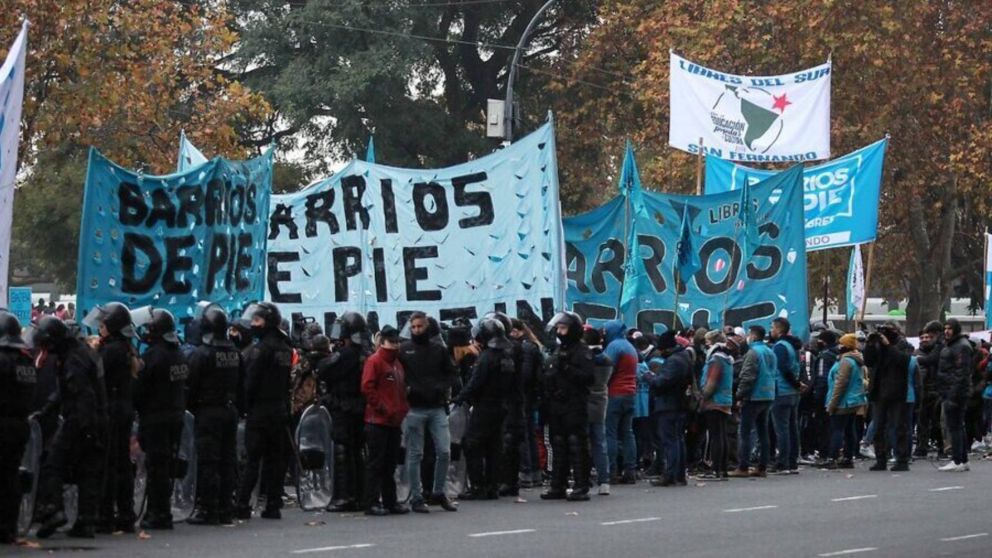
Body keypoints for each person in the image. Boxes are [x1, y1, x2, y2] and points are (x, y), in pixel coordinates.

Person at [31, 316, 108, 539]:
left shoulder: (73, 359)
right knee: (88, 472)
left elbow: (82, 394)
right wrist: (46, 410)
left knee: (52, 463)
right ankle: (86, 521)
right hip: (95, 420)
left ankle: (54, 510)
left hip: (81, 420)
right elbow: (65, 390)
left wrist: (84, 430)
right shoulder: (79, 352)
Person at [84, 302, 140, 534]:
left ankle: (105, 514)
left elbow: (95, 376)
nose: (100, 327)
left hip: (112, 410)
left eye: (104, 323)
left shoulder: (110, 350)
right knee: (122, 463)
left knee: (108, 464)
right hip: (124, 409)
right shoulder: (126, 349)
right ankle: (125, 513)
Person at [235, 302, 293, 519]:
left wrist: (244, 406)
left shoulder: (261, 349)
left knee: (252, 459)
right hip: (278, 409)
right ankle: (273, 504)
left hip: (260, 410)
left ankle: (242, 504)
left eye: (257, 320)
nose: (253, 324)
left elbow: (251, 382)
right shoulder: (285, 348)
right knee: (275, 460)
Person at [186, 304, 243, 526]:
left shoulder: (202, 354)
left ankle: (208, 508)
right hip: (230, 410)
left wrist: (191, 408)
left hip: (208, 411)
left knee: (209, 461)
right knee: (227, 461)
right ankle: (225, 507)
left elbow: (191, 385)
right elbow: (241, 385)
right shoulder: (235, 354)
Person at [133, 307, 188, 529]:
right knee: (166, 465)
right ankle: (163, 510)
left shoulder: (152, 356)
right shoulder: (179, 354)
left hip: (155, 417)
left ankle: (158, 512)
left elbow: (139, 389)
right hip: (175, 416)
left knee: (157, 467)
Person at [398, 312, 458, 512]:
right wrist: (406, 390)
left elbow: (452, 374)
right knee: (416, 454)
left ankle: (438, 492)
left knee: (444, 450)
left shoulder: (438, 350)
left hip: (436, 407)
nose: (416, 330)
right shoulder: (404, 350)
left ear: (427, 327)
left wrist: (440, 388)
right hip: (414, 408)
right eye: (413, 327)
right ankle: (416, 497)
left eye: (419, 326)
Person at [457, 318, 515, 501]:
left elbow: (476, 382)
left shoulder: (486, 357)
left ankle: (478, 485)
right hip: (501, 405)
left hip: (485, 405)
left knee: (472, 444)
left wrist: (459, 398)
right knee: (493, 446)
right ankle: (492, 485)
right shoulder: (506, 355)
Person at [540, 312, 594, 501]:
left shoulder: (581, 351)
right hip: (556, 404)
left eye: (563, 328)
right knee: (558, 444)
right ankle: (558, 485)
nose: (560, 332)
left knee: (576, 444)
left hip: (574, 404)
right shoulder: (558, 350)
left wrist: (567, 368)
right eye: (559, 328)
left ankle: (581, 485)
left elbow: (588, 378)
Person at [319, 312, 369, 512]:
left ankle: (345, 496)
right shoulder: (367, 352)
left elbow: (324, 370)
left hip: (344, 406)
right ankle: (360, 494)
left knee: (343, 450)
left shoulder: (347, 354)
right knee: (357, 451)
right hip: (360, 406)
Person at [361, 326, 410, 516]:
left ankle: (390, 501)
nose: (395, 345)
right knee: (376, 463)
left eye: (397, 342)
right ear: (382, 343)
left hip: (393, 420)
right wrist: (383, 408)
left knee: (389, 464)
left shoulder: (396, 364)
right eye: (391, 342)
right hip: (378, 421)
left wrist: (402, 408)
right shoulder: (375, 362)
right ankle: (371, 502)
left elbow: (400, 390)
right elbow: (367, 388)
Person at [0, 311, 36, 544]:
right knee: (10, 476)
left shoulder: (3, 359)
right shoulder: (26, 360)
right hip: (20, 424)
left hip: (2, 422)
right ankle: (8, 527)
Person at [862, 324, 913, 472]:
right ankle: (881, 459)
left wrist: (888, 345)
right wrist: (870, 345)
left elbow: (903, 361)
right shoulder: (877, 345)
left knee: (898, 426)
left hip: (896, 391)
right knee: (878, 427)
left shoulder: (903, 345)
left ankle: (902, 459)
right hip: (879, 391)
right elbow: (868, 361)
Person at [645, 331, 692, 487]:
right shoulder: (684, 357)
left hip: (669, 404)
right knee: (678, 440)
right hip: (680, 403)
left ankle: (671, 474)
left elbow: (661, 382)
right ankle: (679, 474)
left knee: (670, 441)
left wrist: (649, 377)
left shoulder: (673, 361)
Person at [729, 326, 776, 478]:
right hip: (768, 394)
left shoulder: (753, 353)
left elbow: (747, 376)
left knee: (745, 432)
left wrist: (740, 395)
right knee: (763, 432)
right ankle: (762, 466)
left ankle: (743, 466)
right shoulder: (770, 351)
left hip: (754, 395)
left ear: (753, 336)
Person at [602, 320, 639, 485]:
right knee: (627, 433)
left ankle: (611, 471)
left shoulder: (614, 347)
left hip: (614, 393)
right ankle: (630, 470)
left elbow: (607, 369)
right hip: (630, 393)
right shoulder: (630, 347)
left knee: (610, 433)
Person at [824, 334, 868, 469]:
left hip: (843, 401)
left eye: (840, 343)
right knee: (850, 429)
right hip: (854, 400)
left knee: (837, 429)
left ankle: (832, 457)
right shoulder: (855, 360)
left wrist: (832, 403)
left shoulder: (845, 362)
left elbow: (840, 384)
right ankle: (848, 457)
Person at [937, 319, 973, 472]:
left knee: (955, 427)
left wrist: (953, 395)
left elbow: (961, 374)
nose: (946, 331)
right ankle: (962, 459)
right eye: (945, 328)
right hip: (950, 390)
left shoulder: (961, 347)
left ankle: (957, 460)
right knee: (958, 426)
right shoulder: (954, 345)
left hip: (955, 392)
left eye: (949, 328)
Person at [769, 317, 804, 474]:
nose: (771, 331)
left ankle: (783, 462)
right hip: (793, 392)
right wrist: (797, 384)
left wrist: (794, 383)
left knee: (782, 428)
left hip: (782, 390)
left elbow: (782, 368)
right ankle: (792, 460)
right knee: (792, 427)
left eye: (772, 328)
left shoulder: (780, 347)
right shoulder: (794, 346)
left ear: (779, 329)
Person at [698, 330, 734, 480]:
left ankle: (716, 469)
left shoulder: (715, 359)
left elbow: (711, 383)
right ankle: (723, 469)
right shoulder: (727, 358)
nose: (705, 344)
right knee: (722, 435)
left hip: (714, 401)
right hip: (725, 399)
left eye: (707, 341)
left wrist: (703, 397)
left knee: (716, 436)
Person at [583, 327, 613, 495]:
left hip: (584, 402)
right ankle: (604, 481)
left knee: (583, 444)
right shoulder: (607, 360)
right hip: (601, 402)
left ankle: (584, 477)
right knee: (600, 444)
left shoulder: (585, 359)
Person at [811, 330, 839, 466]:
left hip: (825, 395)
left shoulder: (824, 356)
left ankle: (824, 453)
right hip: (836, 394)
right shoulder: (838, 355)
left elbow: (822, 377)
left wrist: (817, 395)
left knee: (823, 425)